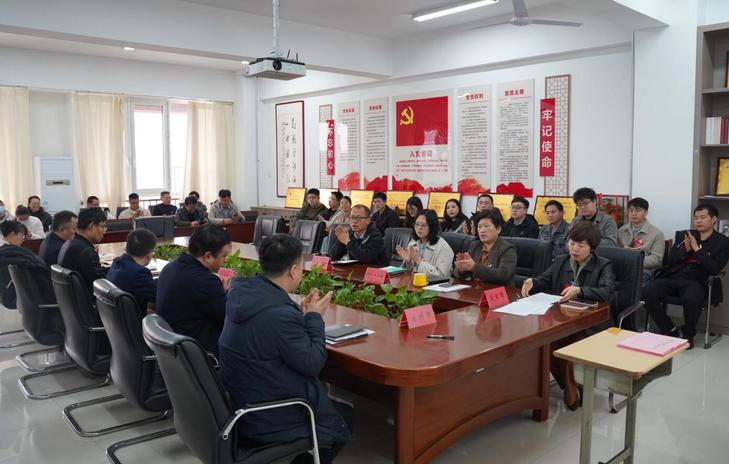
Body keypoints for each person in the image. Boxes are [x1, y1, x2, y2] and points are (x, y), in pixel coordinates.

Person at [220, 235, 351, 463]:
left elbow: (270, 332)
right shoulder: (279, 315)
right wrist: (314, 317)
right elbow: (313, 363)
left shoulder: (242, 295)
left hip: (243, 399)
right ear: (294, 271)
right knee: (345, 418)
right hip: (269, 416)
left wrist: (300, 313)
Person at [521, 221, 615, 407]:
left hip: (591, 324)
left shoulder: (603, 265)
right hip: (563, 321)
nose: (575, 249)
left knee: (570, 352)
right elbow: (545, 279)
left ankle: (571, 393)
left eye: (581, 245)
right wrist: (533, 281)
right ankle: (572, 387)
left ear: (592, 248)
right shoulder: (561, 261)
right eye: (572, 243)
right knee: (546, 347)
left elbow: (608, 292)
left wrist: (580, 290)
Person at [643, 204, 729, 349]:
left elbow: (715, 268)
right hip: (674, 276)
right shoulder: (684, 235)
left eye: (703, 217)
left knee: (691, 298)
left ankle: (688, 334)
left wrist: (697, 250)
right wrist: (685, 250)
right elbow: (669, 260)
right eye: (696, 218)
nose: (698, 221)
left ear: (714, 219)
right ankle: (669, 329)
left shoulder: (723, 242)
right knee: (646, 292)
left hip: (697, 281)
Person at [156, 225, 231, 355]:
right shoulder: (206, 282)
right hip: (199, 353)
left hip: (173, 350)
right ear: (208, 256)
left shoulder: (169, 268)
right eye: (224, 256)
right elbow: (228, 318)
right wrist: (228, 292)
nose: (226, 260)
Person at [455, 210, 517, 286]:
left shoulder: (507, 249)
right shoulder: (475, 245)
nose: (482, 230)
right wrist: (462, 268)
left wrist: (474, 267)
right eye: (479, 227)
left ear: (498, 229)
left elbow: (503, 274)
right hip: (476, 289)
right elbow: (456, 273)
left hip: (499, 291)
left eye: (486, 226)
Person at [57, 207, 108, 297]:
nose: (104, 231)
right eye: (103, 226)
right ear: (91, 226)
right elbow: (103, 285)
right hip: (90, 301)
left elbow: (95, 271)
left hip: (73, 299)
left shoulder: (70, 243)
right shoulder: (86, 251)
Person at [106, 228, 158, 314]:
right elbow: (157, 295)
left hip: (115, 316)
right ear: (149, 254)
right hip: (132, 319)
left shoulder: (117, 262)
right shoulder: (140, 273)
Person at [617, 197, 665, 286]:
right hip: (623, 269)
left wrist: (635, 261)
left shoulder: (657, 233)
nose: (633, 213)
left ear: (646, 212)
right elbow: (616, 252)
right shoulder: (620, 231)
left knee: (635, 282)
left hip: (644, 270)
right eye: (631, 210)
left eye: (638, 210)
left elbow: (657, 259)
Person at [0, 221, 47, 309]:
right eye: (22, 236)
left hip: (8, 297)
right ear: (12, 234)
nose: (23, 240)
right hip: (28, 298)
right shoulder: (17, 253)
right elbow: (42, 268)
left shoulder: (6, 252)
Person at [397, 209, 454, 280]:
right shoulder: (413, 242)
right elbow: (408, 273)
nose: (419, 228)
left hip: (433, 286)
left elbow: (442, 276)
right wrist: (408, 262)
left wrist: (420, 262)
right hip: (414, 283)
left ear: (432, 226)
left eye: (423, 225)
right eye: (417, 224)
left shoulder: (443, 247)